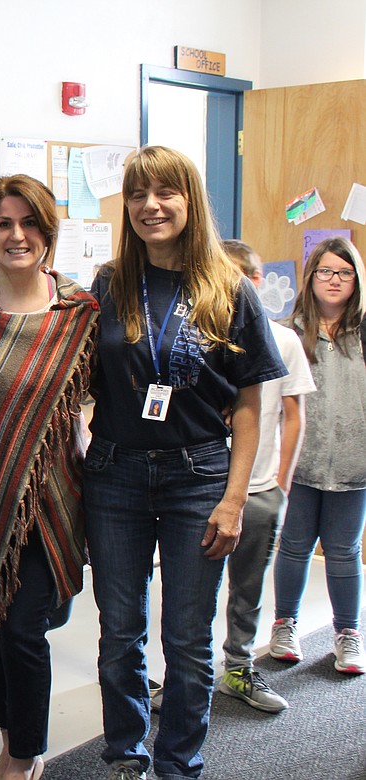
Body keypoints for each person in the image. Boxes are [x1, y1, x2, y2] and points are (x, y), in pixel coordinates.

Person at [84, 146, 285, 780]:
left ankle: (179, 765)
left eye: (166, 192)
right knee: (120, 636)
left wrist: (234, 499)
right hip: (114, 477)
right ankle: (126, 757)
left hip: (198, 478)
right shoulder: (108, 284)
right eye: (139, 194)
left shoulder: (228, 287)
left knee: (189, 645)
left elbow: (251, 404)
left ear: (190, 200)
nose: (151, 206)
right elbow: (77, 380)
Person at [0, 174, 99, 780]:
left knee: (21, 630)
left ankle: (22, 757)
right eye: (4, 224)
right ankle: (15, 731)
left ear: (47, 230)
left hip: (48, 500)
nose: (18, 236)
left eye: (29, 223)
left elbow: (99, 403)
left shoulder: (78, 312)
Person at [215, 239, 315, 713]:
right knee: (189, 593)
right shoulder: (203, 340)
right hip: (205, 486)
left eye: (244, 277)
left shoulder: (285, 340)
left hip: (259, 488)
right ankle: (179, 674)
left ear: (258, 282)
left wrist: (282, 481)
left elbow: (293, 414)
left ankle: (238, 665)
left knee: (248, 588)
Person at [271, 235, 366, 675]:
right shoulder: (287, 332)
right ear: (311, 278)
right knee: (293, 546)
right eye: (326, 271)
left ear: (356, 281)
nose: (334, 280)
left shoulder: (363, 332)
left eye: (344, 273)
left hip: (354, 465)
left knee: (345, 551)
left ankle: (348, 633)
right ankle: (284, 624)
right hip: (300, 464)